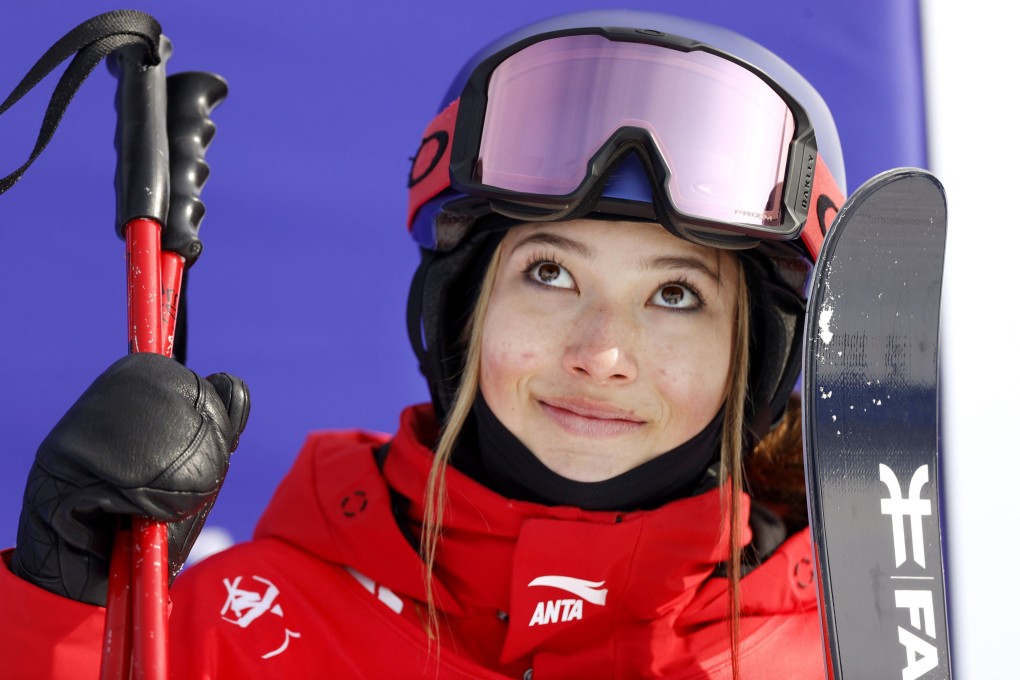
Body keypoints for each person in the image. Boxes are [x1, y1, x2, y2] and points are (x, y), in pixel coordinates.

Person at [1, 9, 848, 679]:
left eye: (676, 295)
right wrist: (59, 623)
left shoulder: (847, 654)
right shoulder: (228, 633)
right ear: (462, 312)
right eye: (550, 273)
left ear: (759, 357)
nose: (601, 353)